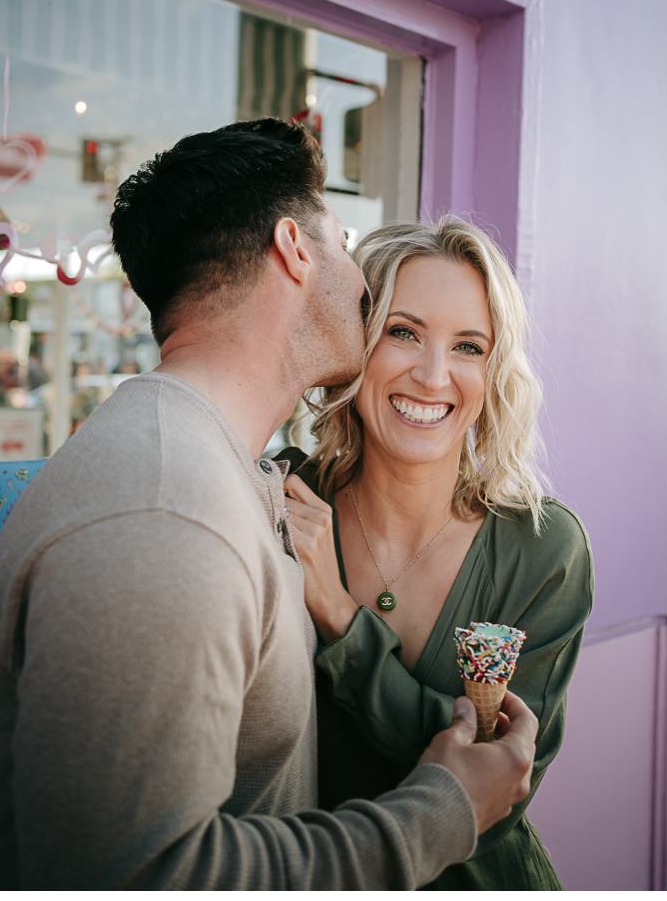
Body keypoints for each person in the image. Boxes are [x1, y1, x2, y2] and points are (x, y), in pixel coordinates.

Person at [0, 120, 539, 890]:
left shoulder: (228, 472)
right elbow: (138, 877)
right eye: (341, 240)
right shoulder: (164, 512)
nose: (362, 283)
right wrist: (440, 812)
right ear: (295, 248)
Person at [281, 217, 594, 891]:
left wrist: (340, 616)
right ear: (357, 340)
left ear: (494, 369)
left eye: (469, 346)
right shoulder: (284, 502)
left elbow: (500, 790)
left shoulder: (542, 551)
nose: (431, 375)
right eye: (403, 332)